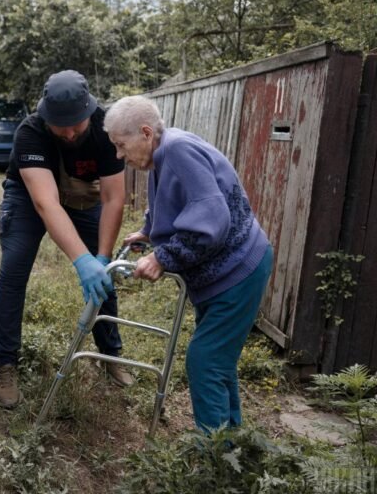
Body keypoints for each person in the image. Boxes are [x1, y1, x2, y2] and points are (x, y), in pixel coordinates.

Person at [103, 95, 273, 433]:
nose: (119, 155)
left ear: (146, 133)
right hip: (225, 272)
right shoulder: (164, 152)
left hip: (237, 271)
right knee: (218, 360)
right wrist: (149, 232)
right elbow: (173, 200)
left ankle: (213, 453)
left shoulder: (178, 150)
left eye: (121, 145)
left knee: (205, 360)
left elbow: (212, 219)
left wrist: (162, 257)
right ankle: (230, 442)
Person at [0, 70, 132, 409]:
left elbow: (113, 199)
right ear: (46, 115)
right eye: (60, 126)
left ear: (89, 111)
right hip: (29, 195)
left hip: (80, 192)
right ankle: (5, 364)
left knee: (104, 274)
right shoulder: (30, 132)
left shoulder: (106, 128)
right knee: (14, 270)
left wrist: (100, 258)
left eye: (76, 125)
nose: (69, 133)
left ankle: (110, 355)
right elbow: (46, 203)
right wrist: (80, 260)